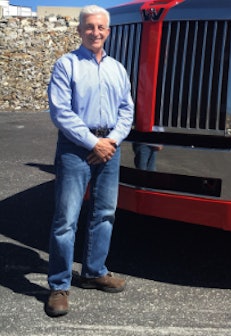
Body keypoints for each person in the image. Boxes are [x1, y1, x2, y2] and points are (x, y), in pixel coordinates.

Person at [46, 5, 134, 317]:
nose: (95, 32)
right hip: (76, 148)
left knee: (105, 213)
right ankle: (58, 284)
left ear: (108, 32)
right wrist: (93, 142)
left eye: (100, 27)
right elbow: (60, 111)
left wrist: (111, 141)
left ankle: (94, 272)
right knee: (66, 219)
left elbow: (127, 109)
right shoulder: (66, 65)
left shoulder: (118, 69)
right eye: (89, 27)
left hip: (110, 147)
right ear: (80, 30)